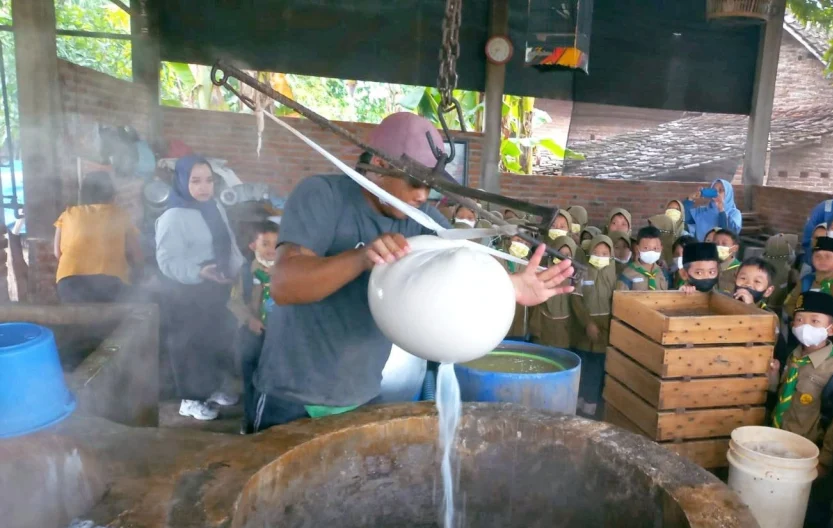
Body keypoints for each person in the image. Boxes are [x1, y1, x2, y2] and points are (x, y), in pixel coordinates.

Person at [251, 113, 574, 431]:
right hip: (291, 395)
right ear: (378, 164)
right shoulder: (324, 195)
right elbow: (285, 285)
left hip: (362, 392)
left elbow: (464, 271)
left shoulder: (423, 219)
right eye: (414, 182)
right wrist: (363, 256)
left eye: (430, 187)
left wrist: (510, 287)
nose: (422, 195)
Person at [156, 155, 246, 421]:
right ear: (182, 182)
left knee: (214, 339)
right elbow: (167, 261)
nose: (204, 187)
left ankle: (212, 388)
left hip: (215, 286)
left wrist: (237, 267)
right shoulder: (173, 216)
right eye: (195, 181)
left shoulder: (213, 207)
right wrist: (198, 272)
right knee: (189, 344)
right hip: (186, 293)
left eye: (208, 180)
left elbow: (228, 240)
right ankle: (190, 400)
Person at [770, 291, 833, 528]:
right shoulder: (794, 357)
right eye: (799, 320)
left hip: (807, 459)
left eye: (815, 321)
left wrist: (825, 462)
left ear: (831, 329)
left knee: (806, 519)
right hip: (778, 448)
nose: (804, 326)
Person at [53, 171, 142, 303]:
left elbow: (57, 253)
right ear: (111, 193)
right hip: (111, 282)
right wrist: (140, 275)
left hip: (69, 282)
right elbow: (136, 255)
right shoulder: (120, 215)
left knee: (77, 321)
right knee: (114, 321)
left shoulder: (68, 214)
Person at [230, 220, 279, 433]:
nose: (271, 250)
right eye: (265, 244)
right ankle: (250, 420)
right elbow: (233, 301)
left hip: (279, 335)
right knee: (252, 379)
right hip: (253, 334)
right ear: (253, 246)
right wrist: (250, 320)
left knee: (275, 379)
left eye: (276, 245)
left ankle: (270, 420)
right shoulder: (246, 272)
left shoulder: (288, 270)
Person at [570, 234, 616, 419]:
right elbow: (576, 299)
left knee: (597, 371)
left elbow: (618, 301)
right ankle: (577, 407)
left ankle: (591, 409)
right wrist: (587, 323)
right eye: (596, 252)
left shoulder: (616, 273)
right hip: (583, 331)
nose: (600, 256)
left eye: (605, 253)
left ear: (611, 255)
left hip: (605, 331)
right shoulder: (583, 272)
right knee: (583, 368)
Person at [786, 237, 833, 327]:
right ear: (812, 259)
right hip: (810, 334)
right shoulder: (806, 282)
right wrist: (803, 321)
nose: (822, 260)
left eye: (828, 256)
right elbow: (789, 305)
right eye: (817, 256)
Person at [530, 236, 577, 349]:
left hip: (565, 328)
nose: (563, 257)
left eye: (567, 254)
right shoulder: (542, 272)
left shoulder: (574, 276)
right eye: (560, 252)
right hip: (543, 325)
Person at [503, 222, 533, 341]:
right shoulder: (497, 255)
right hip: (500, 314)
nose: (522, 245)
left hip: (520, 319)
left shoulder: (527, 263)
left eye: (526, 243)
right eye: (518, 240)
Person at [616, 226, 670, 291]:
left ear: (661, 248)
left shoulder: (663, 273)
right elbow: (620, 299)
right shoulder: (627, 274)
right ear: (637, 248)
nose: (651, 252)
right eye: (646, 248)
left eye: (656, 248)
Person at [713, 228, 742, 294]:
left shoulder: (740, 271)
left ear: (735, 248)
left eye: (724, 244)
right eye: (716, 244)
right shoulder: (707, 268)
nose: (719, 247)